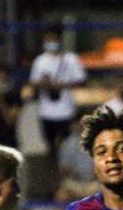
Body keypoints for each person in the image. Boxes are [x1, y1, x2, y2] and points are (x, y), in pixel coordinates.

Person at [29, 23, 87, 162]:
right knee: (51, 150)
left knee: (67, 149)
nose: (51, 43)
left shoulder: (70, 59)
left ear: (59, 39)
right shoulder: (40, 61)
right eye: (48, 39)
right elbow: (33, 83)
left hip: (66, 112)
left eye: (53, 39)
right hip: (46, 113)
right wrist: (44, 84)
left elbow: (81, 81)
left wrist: (61, 85)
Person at [55, 114, 97, 203]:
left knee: (108, 191)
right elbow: (65, 169)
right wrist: (78, 183)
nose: (79, 127)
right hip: (75, 183)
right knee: (62, 194)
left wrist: (91, 181)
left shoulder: (96, 142)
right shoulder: (66, 144)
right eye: (77, 124)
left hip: (93, 184)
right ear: (72, 126)